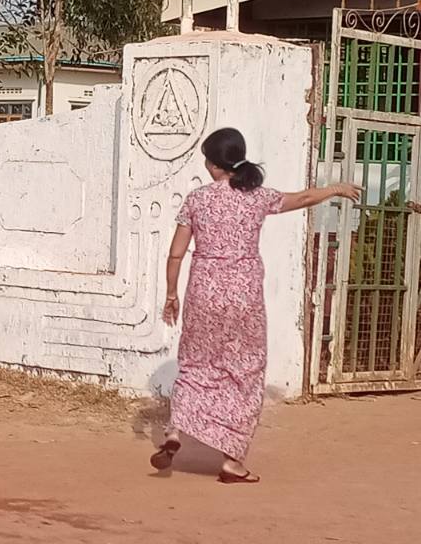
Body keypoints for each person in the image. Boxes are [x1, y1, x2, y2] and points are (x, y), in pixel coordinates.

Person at [154, 127, 360, 484]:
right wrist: (336, 189)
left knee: (195, 363)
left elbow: (176, 254)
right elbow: (303, 197)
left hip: (204, 292)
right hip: (244, 296)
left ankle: (175, 431)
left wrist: (171, 295)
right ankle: (232, 462)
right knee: (245, 371)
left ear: (214, 165)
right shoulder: (258, 197)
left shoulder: (196, 200)